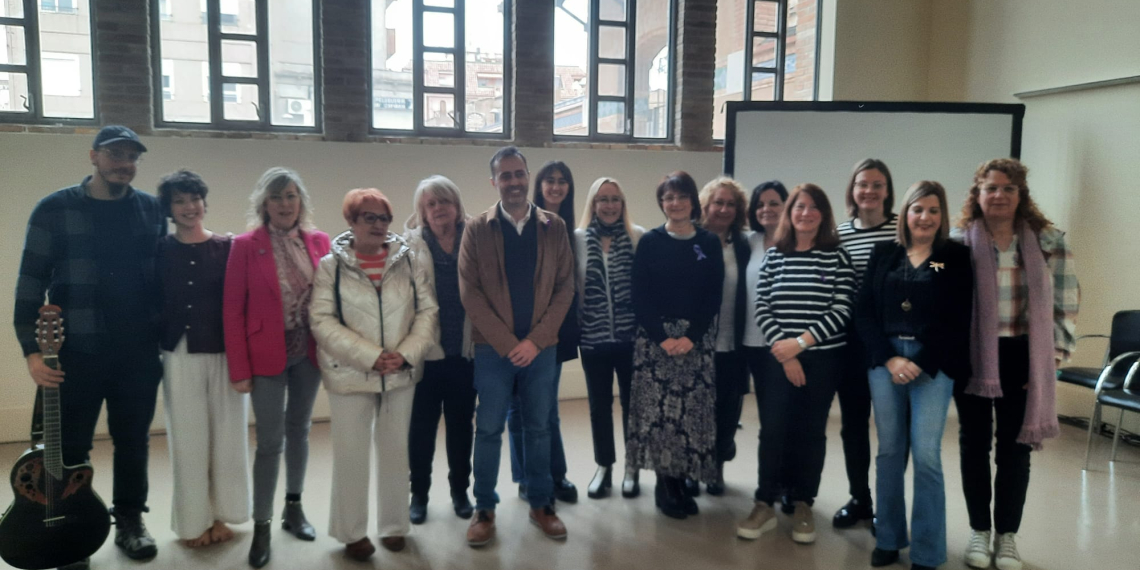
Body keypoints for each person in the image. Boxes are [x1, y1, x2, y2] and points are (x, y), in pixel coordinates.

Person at [14, 125, 165, 569]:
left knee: (133, 442)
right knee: (70, 447)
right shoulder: (54, 209)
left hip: (138, 352)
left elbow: (164, 276)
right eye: (115, 154)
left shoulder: (151, 210)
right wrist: (31, 351)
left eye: (132, 157)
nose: (124, 164)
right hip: (75, 353)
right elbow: (30, 282)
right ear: (93, 156)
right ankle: (69, 529)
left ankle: (130, 521)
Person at [953, 158, 1078, 570]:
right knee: (974, 445)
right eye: (991, 188)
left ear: (1021, 195)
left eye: (1009, 188)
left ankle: (1007, 536)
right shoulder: (956, 242)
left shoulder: (1049, 241)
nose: (999, 195)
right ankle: (979, 530)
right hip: (973, 355)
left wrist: (1051, 360)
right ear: (977, 193)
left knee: (1015, 449)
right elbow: (938, 287)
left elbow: (1066, 303)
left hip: (1025, 357)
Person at [309, 188, 439, 561]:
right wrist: (371, 356)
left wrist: (405, 354)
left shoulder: (408, 261)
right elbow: (321, 320)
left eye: (384, 218)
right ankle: (351, 533)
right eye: (369, 218)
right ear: (351, 221)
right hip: (350, 375)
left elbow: (427, 312)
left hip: (400, 373)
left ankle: (394, 526)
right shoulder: (330, 266)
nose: (379, 225)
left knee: (396, 451)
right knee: (351, 455)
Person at [459, 146, 575, 547]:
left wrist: (535, 341)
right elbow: (470, 294)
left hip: (542, 350)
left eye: (519, 173)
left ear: (528, 177)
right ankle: (484, 508)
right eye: (505, 175)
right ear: (494, 182)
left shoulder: (554, 226)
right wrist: (510, 344)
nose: (513, 181)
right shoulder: (477, 229)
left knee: (539, 428)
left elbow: (565, 288)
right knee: (489, 429)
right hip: (493, 351)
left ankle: (542, 504)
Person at [856, 181, 973, 570]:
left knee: (926, 455)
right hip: (886, 361)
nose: (925, 217)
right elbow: (864, 311)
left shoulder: (953, 257)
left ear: (943, 216)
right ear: (905, 213)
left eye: (933, 210)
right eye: (918, 209)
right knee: (889, 451)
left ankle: (927, 550)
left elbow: (957, 319)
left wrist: (919, 361)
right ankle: (888, 537)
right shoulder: (883, 253)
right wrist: (890, 359)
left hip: (932, 364)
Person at [223, 167, 331, 568]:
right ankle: (262, 525)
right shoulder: (245, 246)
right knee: (269, 442)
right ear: (263, 204)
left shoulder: (319, 242)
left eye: (290, 196)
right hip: (266, 355)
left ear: (300, 201)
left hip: (308, 352)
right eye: (276, 197)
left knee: (299, 430)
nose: (285, 204)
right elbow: (232, 311)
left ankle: (293, 508)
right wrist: (239, 369)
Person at [737, 184, 855, 544]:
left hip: (823, 359)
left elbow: (842, 308)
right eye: (799, 207)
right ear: (790, 213)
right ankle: (764, 503)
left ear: (824, 214)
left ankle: (803, 503)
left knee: (810, 431)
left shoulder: (837, 256)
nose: (806, 213)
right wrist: (786, 351)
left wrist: (801, 344)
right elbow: (762, 305)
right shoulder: (776, 255)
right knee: (772, 430)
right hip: (778, 358)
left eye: (814, 207)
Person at [155, 170, 250, 548]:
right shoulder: (160, 249)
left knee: (229, 439)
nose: (189, 207)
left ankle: (224, 515)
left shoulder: (229, 247)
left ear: (204, 202)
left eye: (194, 198)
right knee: (188, 441)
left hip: (225, 353)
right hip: (179, 353)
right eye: (179, 201)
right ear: (169, 209)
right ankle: (193, 522)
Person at [626, 171, 724, 520]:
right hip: (656, 342)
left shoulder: (709, 242)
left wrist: (691, 336)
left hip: (696, 341)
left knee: (689, 416)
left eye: (682, 196)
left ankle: (681, 479)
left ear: (693, 201)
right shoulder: (650, 242)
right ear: (661, 203)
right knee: (660, 416)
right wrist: (663, 337)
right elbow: (639, 295)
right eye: (668, 197)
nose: (675, 203)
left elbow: (713, 295)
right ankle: (665, 484)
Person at [404, 175, 477, 524]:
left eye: (444, 201)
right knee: (421, 429)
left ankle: (460, 490)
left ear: (456, 205)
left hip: (464, 351)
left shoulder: (475, 238)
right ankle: (419, 493)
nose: (438, 209)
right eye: (431, 203)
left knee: (462, 427)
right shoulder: (410, 245)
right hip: (427, 353)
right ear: (422, 210)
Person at [507, 160, 580, 504]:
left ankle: (555, 474)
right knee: (519, 407)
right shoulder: (524, 223)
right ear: (538, 185)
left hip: (557, 329)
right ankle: (527, 478)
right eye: (549, 180)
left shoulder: (570, 229)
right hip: (520, 331)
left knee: (546, 408)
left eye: (562, 181)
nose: (556, 186)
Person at [833, 158, 899, 529]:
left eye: (877, 184)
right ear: (852, 190)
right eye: (862, 184)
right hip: (850, 345)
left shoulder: (902, 230)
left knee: (891, 430)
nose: (869, 191)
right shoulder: (839, 233)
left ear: (887, 191)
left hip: (892, 346)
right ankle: (860, 497)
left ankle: (887, 506)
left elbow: (931, 267)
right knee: (853, 425)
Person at [574, 177, 646, 499]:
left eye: (615, 199)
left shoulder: (637, 236)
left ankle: (633, 466)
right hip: (593, 340)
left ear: (623, 204)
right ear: (593, 204)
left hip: (631, 340)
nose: (609, 205)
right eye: (603, 199)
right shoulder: (577, 239)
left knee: (633, 406)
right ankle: (604, 466)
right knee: (599, 407)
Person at [696, 176, 752, 496]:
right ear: (706, 204)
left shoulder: (744, 244)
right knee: (696, 408)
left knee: (728, 408)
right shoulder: (691, 239)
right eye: (718, 202)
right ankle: (693, 466)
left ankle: (716, 465)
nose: (724, 209)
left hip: (733, 341)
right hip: (696, 342)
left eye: (731, 204)